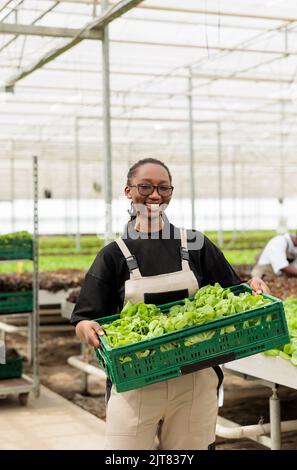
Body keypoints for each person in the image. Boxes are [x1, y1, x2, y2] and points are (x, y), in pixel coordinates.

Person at [71, 157, 269, 450]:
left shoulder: (195, 244)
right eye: (145, 187)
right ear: (128, 191)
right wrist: (86, 328)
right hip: (135, 382)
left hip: (196, 378)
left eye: (164, 188)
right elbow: (84, 318)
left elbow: (234, 291)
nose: (155, 195)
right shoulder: (113, 255)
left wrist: (252, 287)